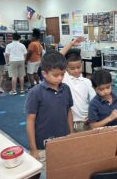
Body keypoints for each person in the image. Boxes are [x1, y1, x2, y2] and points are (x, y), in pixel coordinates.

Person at [25, 50, 73, 178]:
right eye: (56, 75)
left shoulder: (66, 89)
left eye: (63, 74)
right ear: (44, 74)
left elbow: (68, 111)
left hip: (62, 140)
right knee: (41, 172)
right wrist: (33, 149)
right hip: (42, 145)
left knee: (61, 171)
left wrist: (71, 133)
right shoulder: (35, 93)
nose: (60, 78)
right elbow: (30, 121)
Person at [60, 37, 96, 132]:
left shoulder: (86, 81)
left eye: (79, 67)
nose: (76, 70)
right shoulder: (65, 79)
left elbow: (94, 100)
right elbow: (56, 58)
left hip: (86, 121)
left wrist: (92, 115)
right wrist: (71, 44)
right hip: (70, 121)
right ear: (66, 68)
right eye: (72, 68)